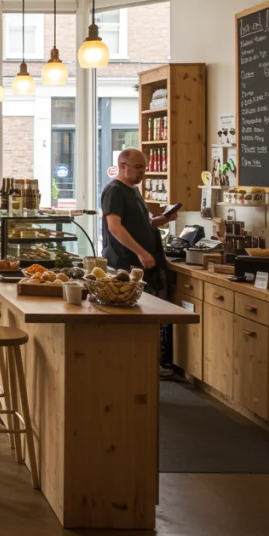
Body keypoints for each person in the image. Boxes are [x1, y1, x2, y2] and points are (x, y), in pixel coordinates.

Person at [101, 147, 178, 376]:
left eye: (144, 167)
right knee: (134, 320)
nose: (143, 172)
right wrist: (142, 252)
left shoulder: (133, 190)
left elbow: (138, 223)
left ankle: (145, 365)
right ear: (122, 166)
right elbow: (115, 228)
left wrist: (160, 220)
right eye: (139, 167)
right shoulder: (114, 191)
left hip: (140, 263)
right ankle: (135, 368)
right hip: (125, 264)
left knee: (145, 317)